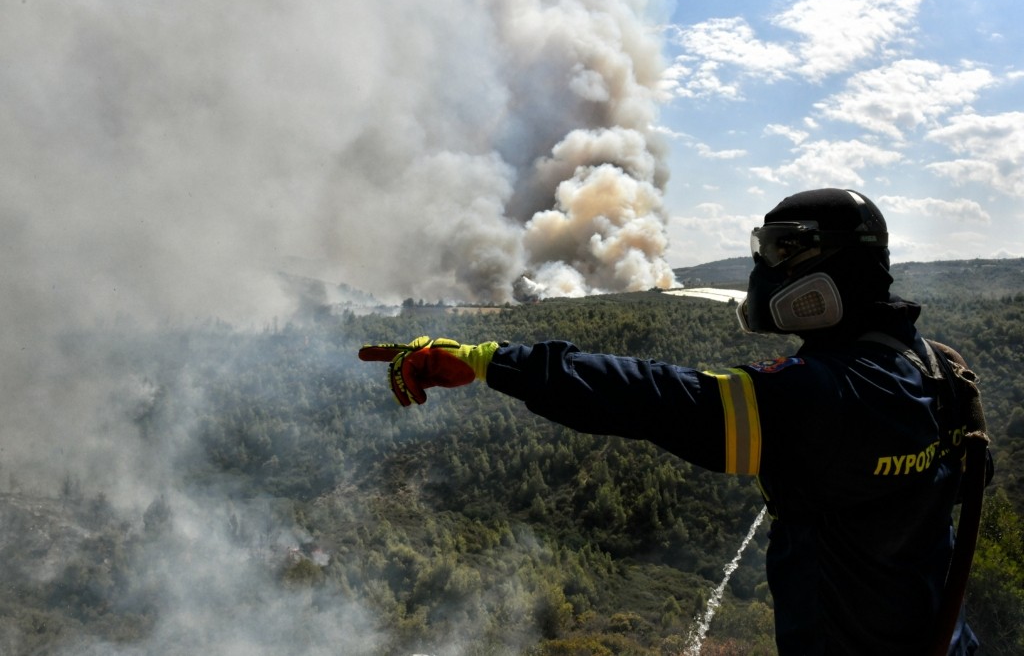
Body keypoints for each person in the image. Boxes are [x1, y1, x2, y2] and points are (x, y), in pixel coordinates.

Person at [359, 188, 986, 655]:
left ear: (832, 270)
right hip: (941, 639)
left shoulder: (830, 395)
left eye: (779, 251)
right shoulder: (930, 366)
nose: (765, 269)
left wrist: (486, 360)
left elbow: (650, 396)